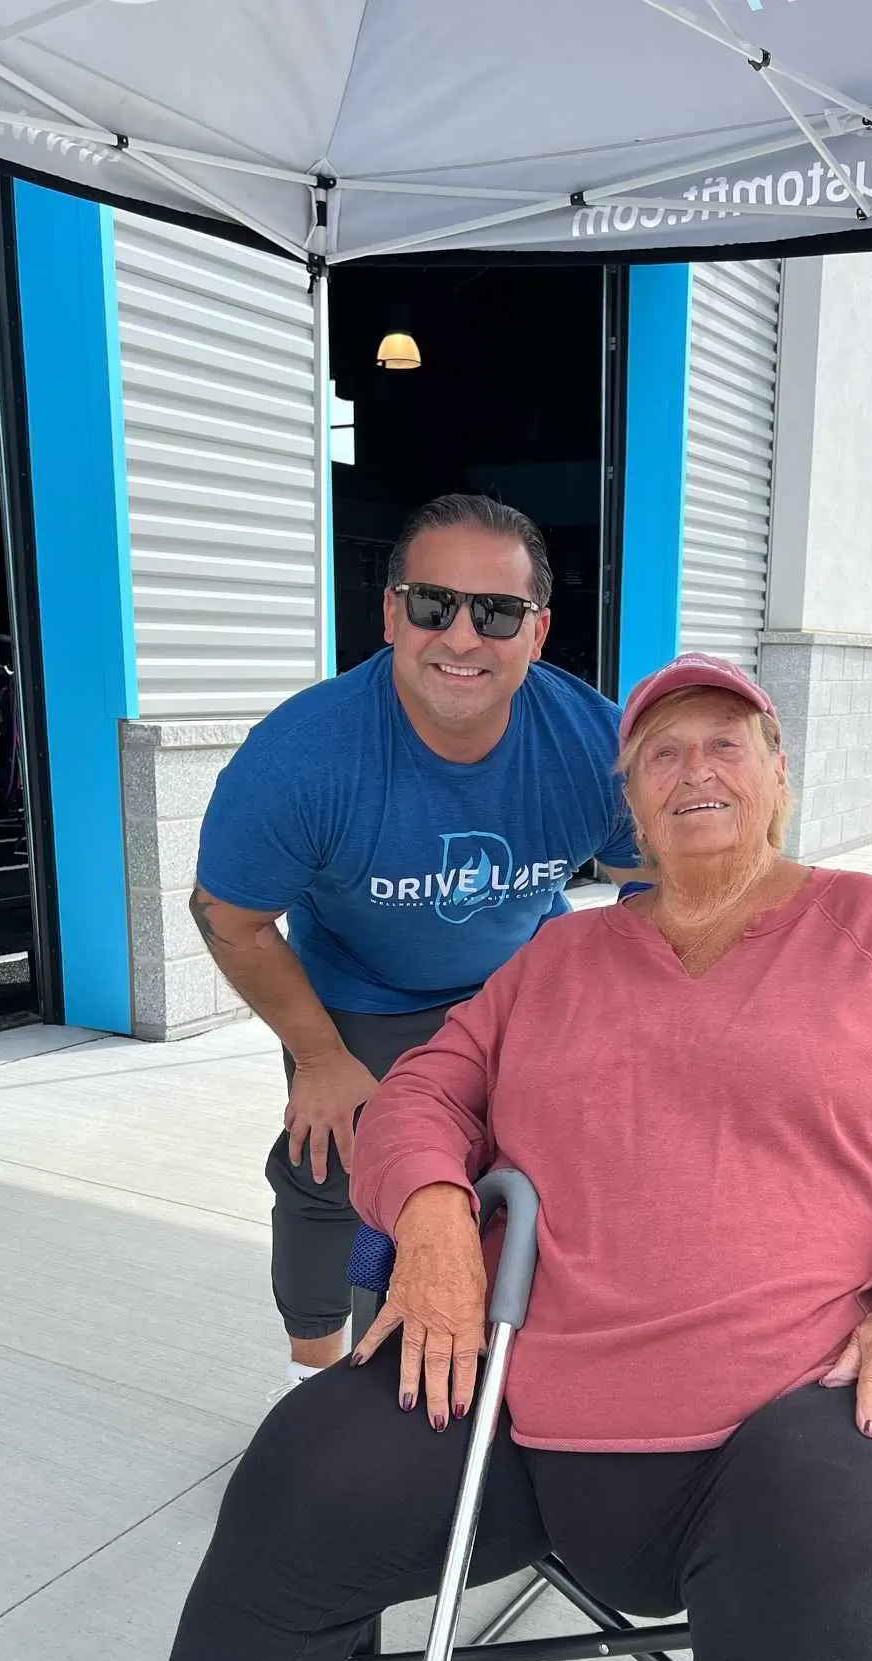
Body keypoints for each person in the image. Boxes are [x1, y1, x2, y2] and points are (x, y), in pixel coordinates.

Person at [0, 655, 872, 1661]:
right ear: (622, 799)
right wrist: (434, 1211)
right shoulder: (557, 956)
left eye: (725, 744)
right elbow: (422, 1095)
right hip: (519, 1403)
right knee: (301, 1473)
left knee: (846, 1566)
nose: (695, 771)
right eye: (661, 754)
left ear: (781, 771)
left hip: (786, 1418)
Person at [188, 493, 640, 1378]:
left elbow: (653, 883)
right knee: (333, 1175)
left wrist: (623, 1009)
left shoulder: (596, 742)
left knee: (555, 1173)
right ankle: (311, 1383)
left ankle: (526, 1370)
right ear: (393, 613)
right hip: (360, 991)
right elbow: (229, 918)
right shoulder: (303, 758)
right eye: (434, 604)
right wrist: (318, 1058)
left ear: (538, 632)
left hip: (520, 979)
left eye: (497, 612)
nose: (463, 638)